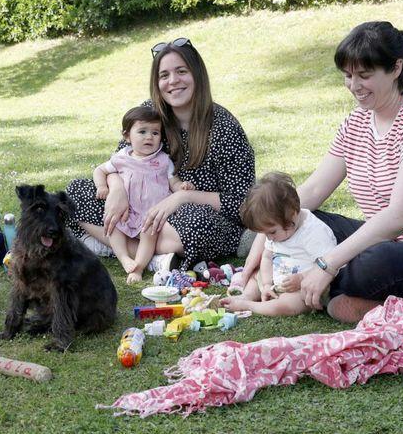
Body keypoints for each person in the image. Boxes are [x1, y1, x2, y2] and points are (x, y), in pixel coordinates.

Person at [242, 21, 403, 322]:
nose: (354, 86)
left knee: (377, 261)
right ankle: (333, 294)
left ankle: (314, 285)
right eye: (348, 76)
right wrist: (263, 240)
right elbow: (309, 194)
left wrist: (327, 264)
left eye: (365, 75)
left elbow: (401, 215)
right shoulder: (357, 123)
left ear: (396, 67)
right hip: (394, 243)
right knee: (297, 218)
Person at [67, 37, 255, 275]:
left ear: (197, 74)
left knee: (199, 225)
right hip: (137, 207)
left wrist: (182, 199)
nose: (173, 81)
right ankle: (155, 258)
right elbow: (120, 159)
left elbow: (243, 202)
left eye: (181, 71)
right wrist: (116, 190)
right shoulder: (151, 112)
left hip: (191, 216)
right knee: (75, 193)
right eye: (164, 75)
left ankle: (110, 246)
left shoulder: (224, 127)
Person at [93, 106, 195, 284]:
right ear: (126, 136)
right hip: (127, 211)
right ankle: (124, 258)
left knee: (149, 233)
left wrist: (182, 187)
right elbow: (99, 170)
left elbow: (173, 181)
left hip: (152, 214)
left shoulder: (163, 160)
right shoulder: (121, 158)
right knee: (113, 225)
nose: (149, 137)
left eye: (155, 133)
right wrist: (102, 186)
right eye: (142, 131)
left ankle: (138, 267)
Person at [220, 172, 337, 316]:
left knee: (289, 305)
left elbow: (329, 265)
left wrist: (301, 279)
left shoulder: (313, 232)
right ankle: (247, 296)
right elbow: (267, 257)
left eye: (272, 232)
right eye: (265, 233)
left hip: (303, 287)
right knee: (256, 275)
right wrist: (267, 284)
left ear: (292, 214)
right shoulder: (276, 233)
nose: (268, 238)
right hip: (278, 279)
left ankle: (249, 305)